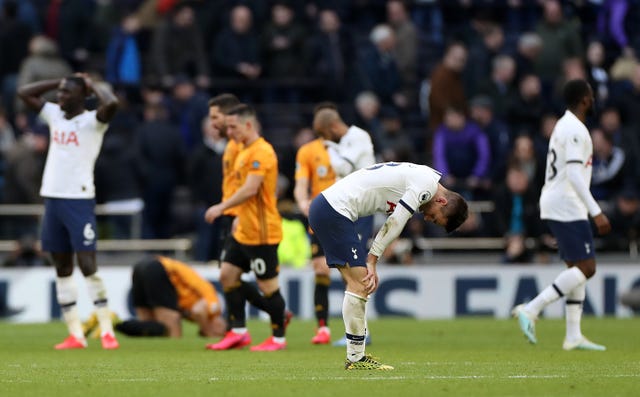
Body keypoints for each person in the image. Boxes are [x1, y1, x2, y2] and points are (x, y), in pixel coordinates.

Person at [308, 161, 469, 370]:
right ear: (442, 201)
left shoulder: (426, 177)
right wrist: (372, 260)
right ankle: (356, 358)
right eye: (435, 218)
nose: (427, 218)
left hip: (330, 208)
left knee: (358, 284)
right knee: (361, 283)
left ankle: (356, 357)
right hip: (334, 211)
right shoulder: (426, 186)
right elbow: (396, 221)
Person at [17, 74, 120, 350]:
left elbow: (112, 103)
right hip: (53, 199)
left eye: (66, 93)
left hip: (79, 199)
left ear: (81, 96)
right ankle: (76, 335)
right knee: (61, 266)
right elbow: (24, 92)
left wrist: (92, 84)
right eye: (59, 92)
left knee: (88, 265)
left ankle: (107, 330)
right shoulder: (54, 115)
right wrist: (58, 81)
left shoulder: (92, 122)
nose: (59, 97)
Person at [513, 79, 612, 351]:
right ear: (584, 99)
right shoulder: (576, 130)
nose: (593, 100)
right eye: (591, 96)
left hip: (561, 201)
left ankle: (573, 335)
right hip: (567, 203)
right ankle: (531, 309)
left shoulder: (563, 124)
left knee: (576, 268)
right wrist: (597, 212)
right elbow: (574, 176)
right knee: (587, 268)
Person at [204, 104, 287, 351]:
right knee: (227, 275)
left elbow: (251, 189)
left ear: (248, 125)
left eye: (233, 126)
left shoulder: (262, 151)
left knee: (268, 286)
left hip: (262, 231)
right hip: (243, 229)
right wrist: (238, 215)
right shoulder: (243, 150)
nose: (229, 131)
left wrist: (221, 207)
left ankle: (278, 338)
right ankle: (239, 332)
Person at [308, 103, 376, 346]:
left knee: (355, 270)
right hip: (349, 209)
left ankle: (362, 331)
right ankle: (360, 329)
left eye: (325, 135)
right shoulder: (345, 141)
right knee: (350, 271)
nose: (324, 141)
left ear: (333, 127)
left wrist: (331, 148)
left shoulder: (357, 137)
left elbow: (343, 167)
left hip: (361, 210)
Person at [116, 256, 226, 338]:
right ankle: (174, 358)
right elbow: (198, 311)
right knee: (172, 326)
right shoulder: (214, 308)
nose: (218, 330)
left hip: (141, 267)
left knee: (149, 326)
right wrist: (207, 331)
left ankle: (114, 323)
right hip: (160, 268)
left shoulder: (197, 317)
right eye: (220, 330)